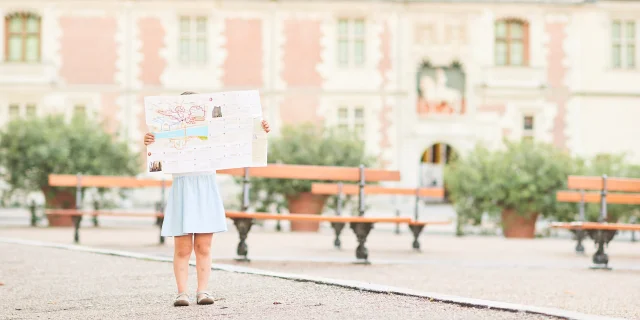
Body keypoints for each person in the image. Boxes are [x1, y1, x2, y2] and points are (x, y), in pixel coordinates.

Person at [144, 91, 271, 307]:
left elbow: (236, 134)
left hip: (205, 189)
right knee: (182, 248)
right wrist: (149, 141)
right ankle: (181, 292)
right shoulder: (170, 132)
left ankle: (203, 290)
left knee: (204, 246)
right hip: (182, 189)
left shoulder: (214, 131)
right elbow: (158, 153)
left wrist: (261, 128)